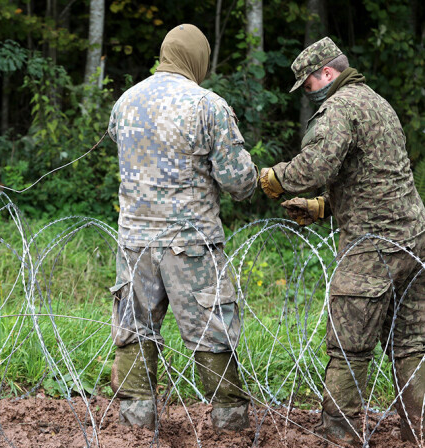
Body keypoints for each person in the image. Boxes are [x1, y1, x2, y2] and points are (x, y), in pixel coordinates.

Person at [259, 36, 425, 446]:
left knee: (348, 347)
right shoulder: (376, 102)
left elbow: (314, 166)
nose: (309, 94)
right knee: (410, 345)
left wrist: (275, 179)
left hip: (372, 249)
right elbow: (371, 177)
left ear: (326, 73)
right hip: (413, 240)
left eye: (309, 85)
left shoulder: (339, 108)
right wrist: (321, 208)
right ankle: (417, 432)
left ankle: (340, 437)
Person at [107, 24, 258, 431]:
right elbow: (239, 183)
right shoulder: (208, 106)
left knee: (135, 328)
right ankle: (229, 421)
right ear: (197, 58)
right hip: (190, 245)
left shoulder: (126, 100)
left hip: (134, 241)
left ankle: (136, 420)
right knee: (212, 330)